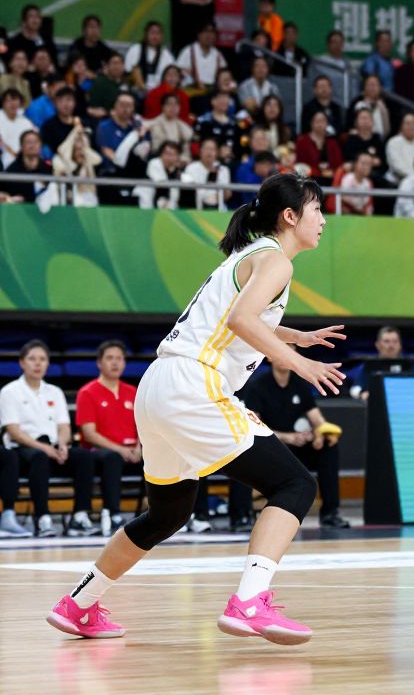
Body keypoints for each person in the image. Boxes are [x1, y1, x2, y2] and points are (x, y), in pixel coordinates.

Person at [46, 173, 347, 644]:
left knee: (167, 513)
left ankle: (77, 604)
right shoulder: (275, 261)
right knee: (293, 484)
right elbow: (241, 320)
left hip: (158, 386)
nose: (324, 220)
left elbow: (236, 322)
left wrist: (294, 337)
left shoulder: (248, 257)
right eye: (317, 210)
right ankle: (249, 602)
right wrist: (299, 363)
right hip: (194, 385)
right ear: (290, 216)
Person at [1, 340, 99, 538]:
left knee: (83, 456)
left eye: (42, 359)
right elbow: (14, 431)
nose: (38, 364)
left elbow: (64, 426)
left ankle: (79, 517)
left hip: (53, 449)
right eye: (32, 359)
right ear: (22, 363)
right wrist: (45, 448)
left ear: (47, 364)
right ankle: (42, 518)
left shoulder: (55, 391)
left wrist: (62, 444)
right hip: (22, 451)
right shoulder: (10, 391)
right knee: (39, 456)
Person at [239, 355, 348, 529]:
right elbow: (254, 427)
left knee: (329, 447)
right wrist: (287, 437)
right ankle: (241, 516)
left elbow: (318, 420)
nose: (285, 355)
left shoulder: (300, 385)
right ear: (271, 356)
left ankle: (330, 513)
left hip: (297, 449)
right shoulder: (257, 386)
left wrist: (320, 434)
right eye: (282, 350)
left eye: (291, 351)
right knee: (242, 449)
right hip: (271, 448)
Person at [76, 341, 141, 537]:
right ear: (99, 363)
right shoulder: (87, 392)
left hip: (134, 452)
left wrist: (139, 446)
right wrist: (120, 449)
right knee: (112, 458)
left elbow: (144, 425)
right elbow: (89, 434)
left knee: (164, 457)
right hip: (100, 453)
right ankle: (114, 514)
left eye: (119, 358)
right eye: (110, 358)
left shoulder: (133, 391)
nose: (115, 363)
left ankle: (168, 514)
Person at [125, 21, 175, 94]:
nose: (155, 36)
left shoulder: (166, 54)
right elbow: (130, 72)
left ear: (162, 36)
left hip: (160, 92)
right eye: (152, 33)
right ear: (146, 34)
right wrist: (144, 88)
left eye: (158, 33)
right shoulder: (135, 49)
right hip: (138, 91)